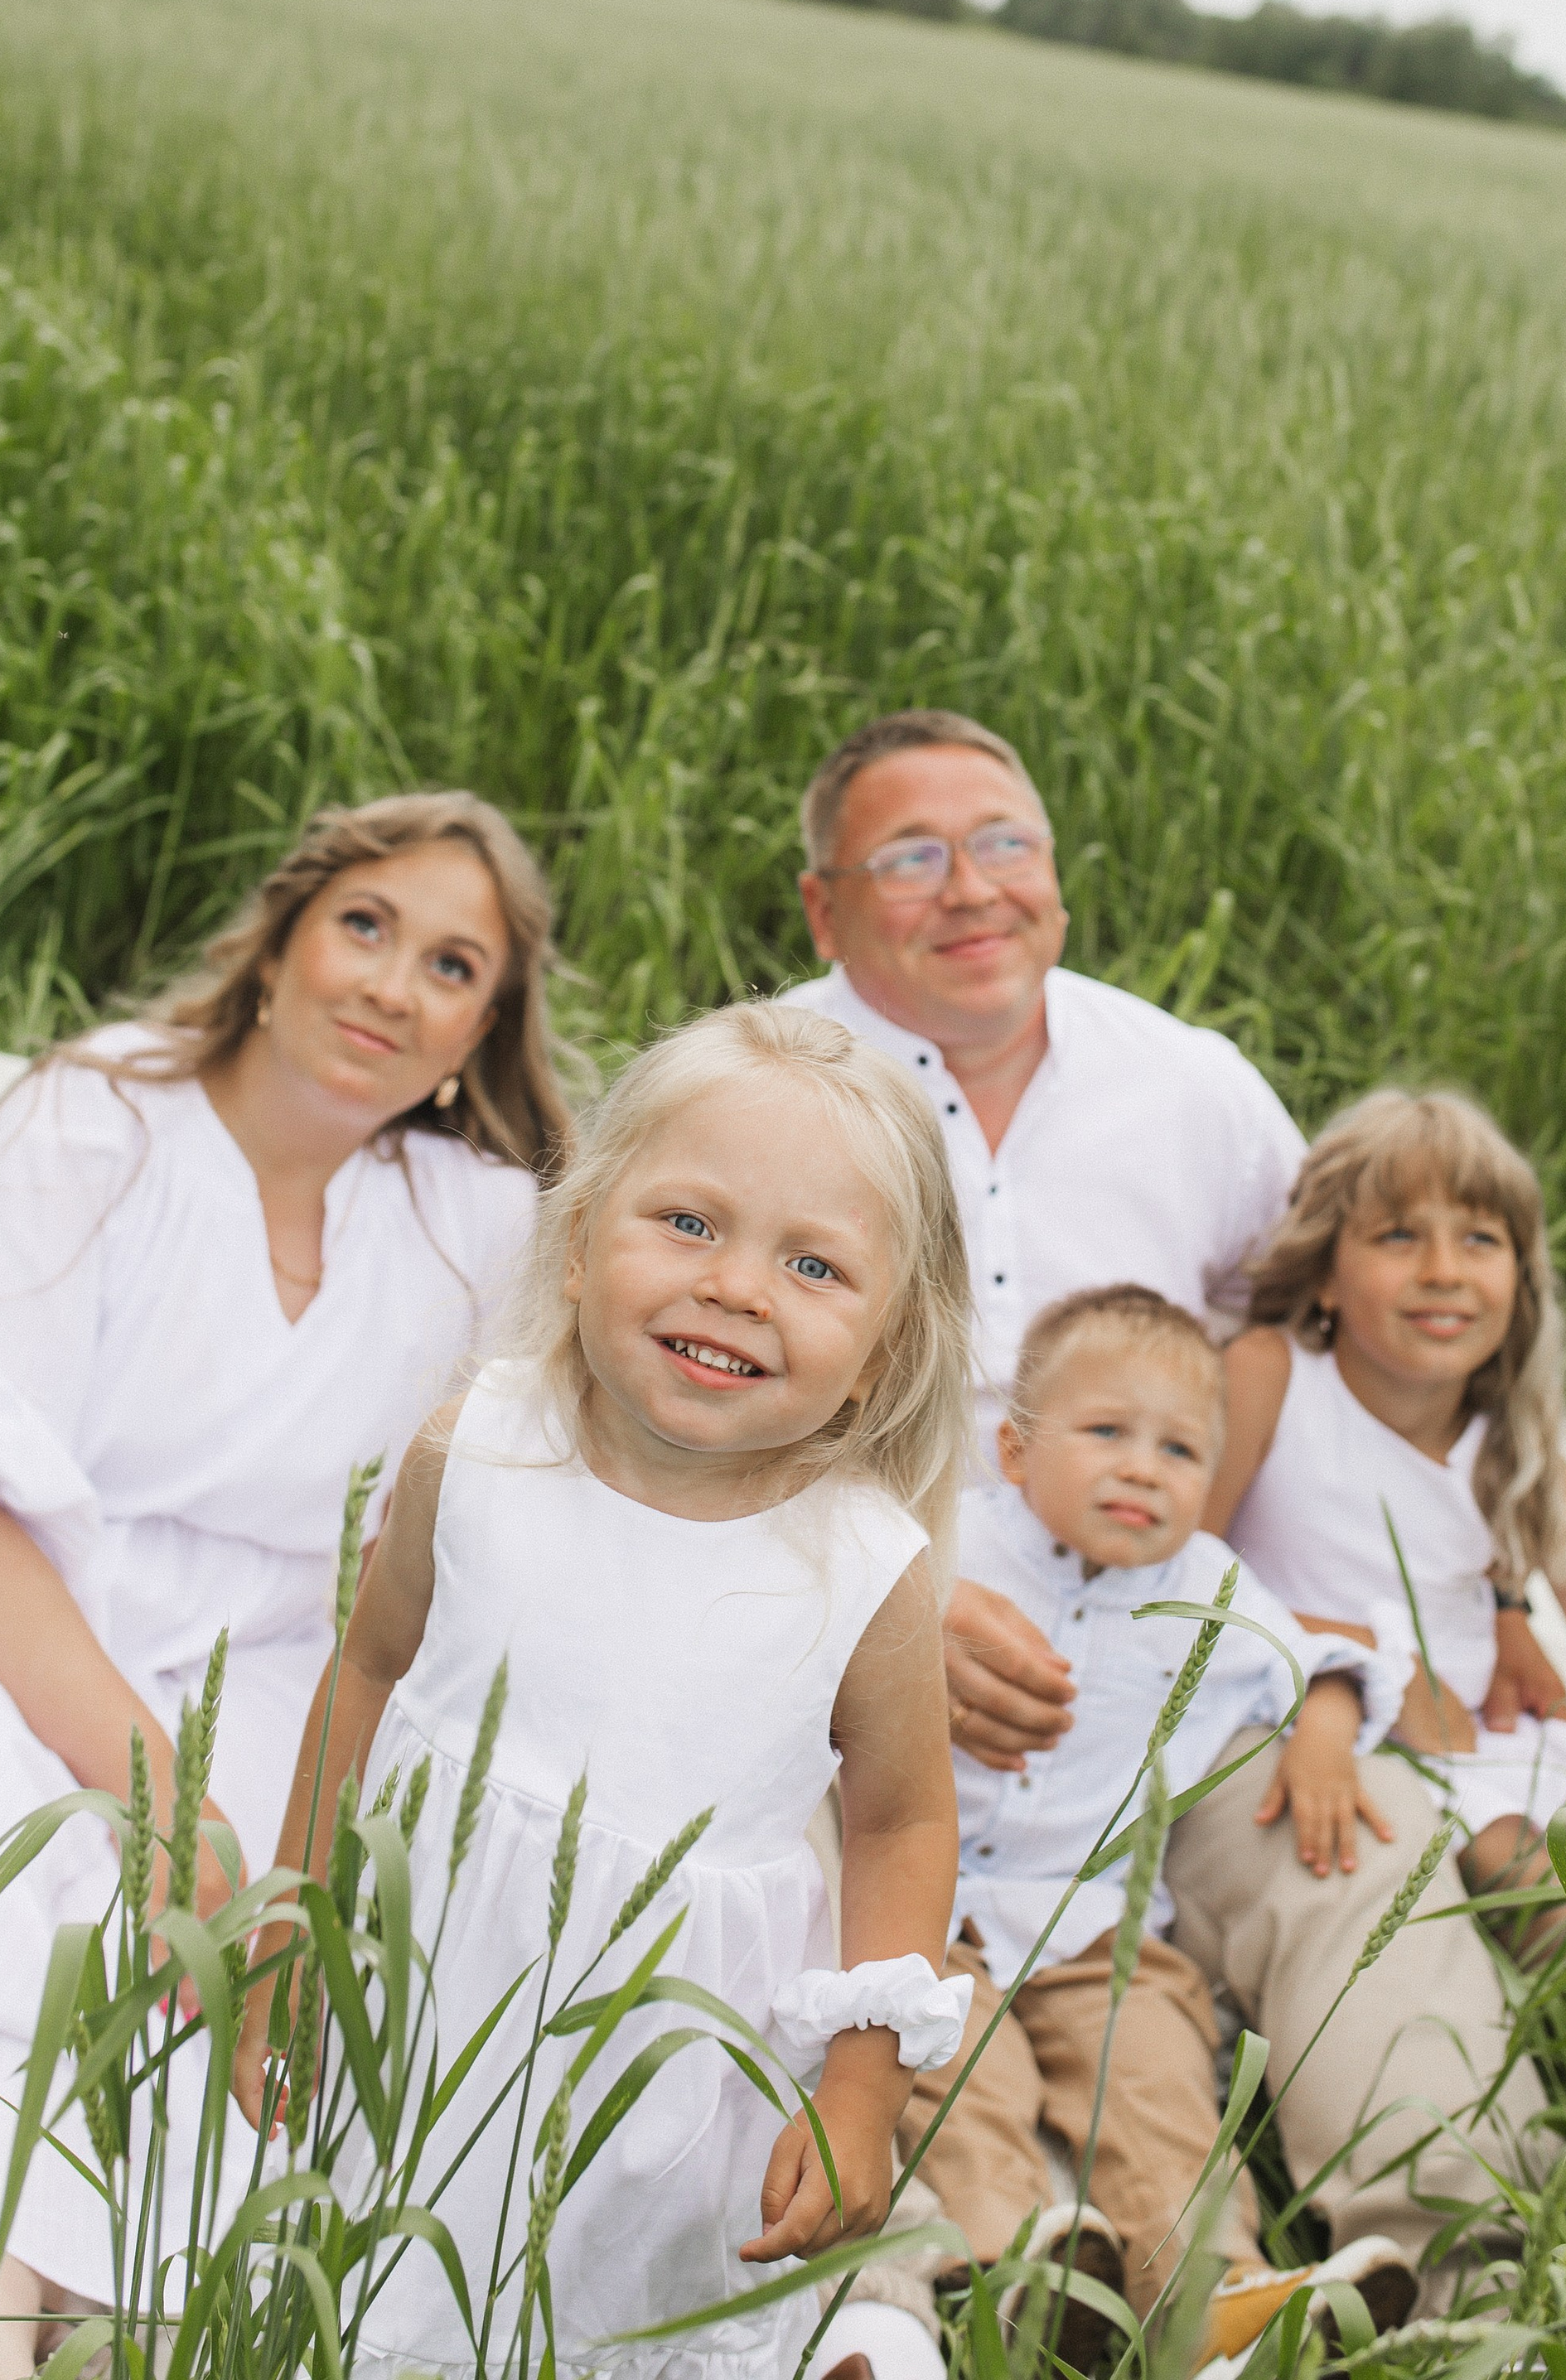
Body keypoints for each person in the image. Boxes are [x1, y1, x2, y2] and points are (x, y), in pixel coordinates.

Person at [0, 792, 568, 2378]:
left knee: (255, 1981)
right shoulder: (95, 1116)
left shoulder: (475, 1224)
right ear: (280, 940)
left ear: (481, 1030)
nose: (390, 981)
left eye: (452, 964)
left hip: (259, 1652)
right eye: (364, 925)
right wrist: (163, 1805)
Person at [783, 709, 1553, 2309]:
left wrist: (1469, 1601)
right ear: (824, 905)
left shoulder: (1189, 1088)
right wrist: (880, 1601)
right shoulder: (762, 1087)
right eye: (912, 855)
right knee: (840, 1915)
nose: (972, 886)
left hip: (1161, 1650)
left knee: (1356, 1837)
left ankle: (1457, 2262)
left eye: (1006, 842)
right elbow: (646, 1407)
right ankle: (992, 2266)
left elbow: (1348, 1343)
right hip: (830, 1665)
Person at [237, 1002, 978, 2380]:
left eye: (814, 1264)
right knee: (376, 2302)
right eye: (690, 1222)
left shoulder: (864, 1571)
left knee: (617, 2332)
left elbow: (898, 1825)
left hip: (669, 2086)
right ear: (578, 1245)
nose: (737, 1286)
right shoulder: (480, 1448)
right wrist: (287, 1947)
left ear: (878, 1351)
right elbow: (369, 1671)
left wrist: (861, 2087)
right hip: (427, 1996)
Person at [901, 1287, 1414, 2374]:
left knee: (1158, 2079)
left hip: (1093, 1927)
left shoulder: (1212, 1594)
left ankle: (1217, 2301)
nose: (1143, 1468)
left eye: (1180, 1450)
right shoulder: (948, 1546)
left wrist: (1323, 1728)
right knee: (952, 2069)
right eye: (1105, 1434)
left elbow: (1333, 1657)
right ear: (1012, 1449)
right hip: (933, 1914)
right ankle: (1011, 2264)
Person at [1212, 1088, 1566, 1932]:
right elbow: (1177, 1572)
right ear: (1323, 1271)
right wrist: (1355, 1653)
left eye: (1480, 1239)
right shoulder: (1267, 1378)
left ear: (1520, 1277)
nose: (1443, 1270)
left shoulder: (1523, 1457)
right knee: (1533, 1878)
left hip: (1483, 1745)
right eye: (1399, 1234)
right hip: (1331, 1717)